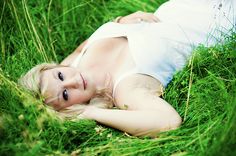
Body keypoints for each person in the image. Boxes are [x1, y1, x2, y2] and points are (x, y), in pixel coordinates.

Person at [19, 0, 235, 137]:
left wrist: (120, 20)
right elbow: (169, 122)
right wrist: (89, 112)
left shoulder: (71, 64)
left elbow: (81, 48)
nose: (72, 81)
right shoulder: (125, 89)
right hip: (218, 22)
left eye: (60, 75)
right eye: (65, 94)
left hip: (180, 7)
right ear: (68, 109)